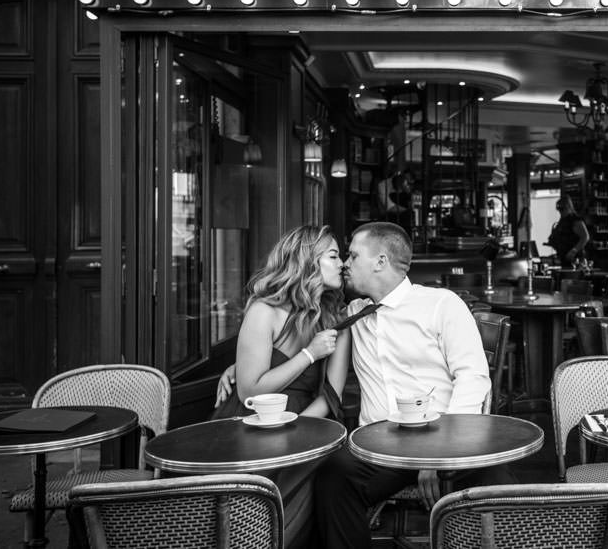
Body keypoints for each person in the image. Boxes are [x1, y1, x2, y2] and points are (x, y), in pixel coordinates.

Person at [313, 221, 513, 549]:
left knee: (495, 481)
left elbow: (473, 377)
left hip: (444, 437)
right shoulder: (354, 312)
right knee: (333, 475)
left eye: (352, 255)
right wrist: (243, 359)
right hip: (380, 446)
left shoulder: (441, 304)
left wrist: (439, 456)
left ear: (380, 261)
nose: (346, 264)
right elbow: (300, 330)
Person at [212, 224, 351, 548]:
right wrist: (308, 354)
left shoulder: (336, 318)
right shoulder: (265, 311)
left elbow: (330, 396)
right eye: (333, 256)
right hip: (249, 425)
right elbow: (249, 393)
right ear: (307, 261)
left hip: (307, 425)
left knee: (322, 480)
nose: (342, 263)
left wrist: (298, 433)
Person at [546, 195, 589, 265]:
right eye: (558, 209)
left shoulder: (575, 220)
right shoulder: (562, 221)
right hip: (563, 258)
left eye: (562, 209)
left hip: (575, 260)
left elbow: (585, 237)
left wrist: (574, 251)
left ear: (568, 207)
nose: (560, 211)